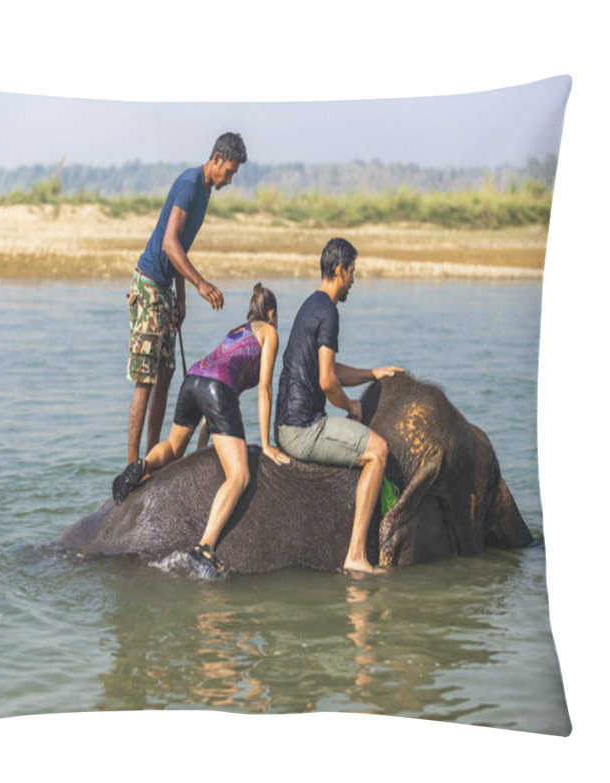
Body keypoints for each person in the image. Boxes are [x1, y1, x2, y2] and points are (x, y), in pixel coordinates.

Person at [113, 283, 289, 576]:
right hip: (216, 389)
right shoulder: (270, 332)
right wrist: (267, 443)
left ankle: (141, 466)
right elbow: (265, 389)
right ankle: (205, 547)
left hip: (194, 380)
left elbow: (215, 410)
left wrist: (201, 451)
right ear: (272, 313)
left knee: (172, 447)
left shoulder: (237, 332)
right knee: (240, 475)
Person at [274, 237, 404, 574]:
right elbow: (327, 382)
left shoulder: (311, 304)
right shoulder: (329, 313)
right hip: (303, 429)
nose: (354, 280)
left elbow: (329, 369)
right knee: (378, 451)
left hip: (288, 422)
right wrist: (352, 407)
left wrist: (372, 373)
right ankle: (356, 555)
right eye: (352, 272)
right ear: (339, 270)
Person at [125, 132, 248, 465]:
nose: (230, 179)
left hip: (165, 289)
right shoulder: (190, 184)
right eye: (230, 171)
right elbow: (168, 243)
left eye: (234, 174)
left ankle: (152, 457)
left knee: (165, 375)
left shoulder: (205, 192)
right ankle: (132, 463)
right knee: (146, 379)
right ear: (217, 158)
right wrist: (199, 283)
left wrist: (181, 298)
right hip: (149, 285)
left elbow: (181, 247)